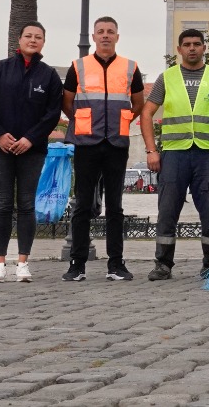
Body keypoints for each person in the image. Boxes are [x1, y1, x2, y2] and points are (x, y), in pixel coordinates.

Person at [0, 21, 65, 283]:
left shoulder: (48, 75)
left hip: (32, 149)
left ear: (43, 42)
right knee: (3, 205)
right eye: (28, 36)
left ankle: (23, 263)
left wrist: (30, 138)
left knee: (27, 205)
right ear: (19, 39)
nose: (33, 40)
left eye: (38, 37)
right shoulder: (0, 70)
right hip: (0, 147)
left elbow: (52, 114)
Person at [62, 16, 146, 282]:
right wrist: (85, 123)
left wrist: (121, 122)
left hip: (116, 143)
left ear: (117, 37)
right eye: (101, 32)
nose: (106, 36)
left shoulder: (130, 67)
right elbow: (67, 104)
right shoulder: (78, 67)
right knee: (82, 204)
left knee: (115, 206)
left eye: (110, 31)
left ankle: (116, 264)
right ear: (94, 36)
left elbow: (138, 104)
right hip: (87, 142)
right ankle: (77, 265)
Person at [140, 29, 209, 281]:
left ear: (204, 48)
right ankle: (163, 264)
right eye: (187, 44)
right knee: (167, 210)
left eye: (197, 44)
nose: (192, 48)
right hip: (175, 154)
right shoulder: (166, 78)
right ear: (179, 49)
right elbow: (146, 114)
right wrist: (151, 150)